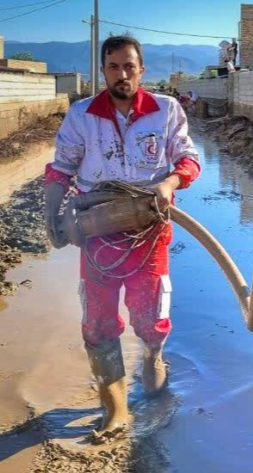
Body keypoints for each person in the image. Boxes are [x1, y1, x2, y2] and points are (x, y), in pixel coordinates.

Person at [43, 34, 200, 442]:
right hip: (97, 235)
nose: (122, 74)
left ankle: (153, 355)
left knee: (150, 318)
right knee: (97, 322)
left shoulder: (166, 110)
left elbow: (189, 158)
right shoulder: (81, 115)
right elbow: (61, 168)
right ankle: (114, 407)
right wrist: (51, 214)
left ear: (141, 69)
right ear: (104, 71)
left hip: (149, 230)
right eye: (114, 67)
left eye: (129, 66)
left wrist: (170, 181)